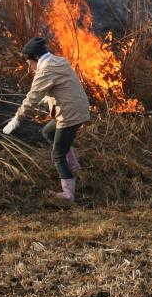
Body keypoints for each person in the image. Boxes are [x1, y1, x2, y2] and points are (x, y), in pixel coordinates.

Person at [7, 37, 91, 201]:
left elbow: (32, 98)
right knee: (48, 132)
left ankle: (68, 194)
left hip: (70, 114)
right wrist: (49, 96)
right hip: (78, 108)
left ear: (37, 58)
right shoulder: (57, 61)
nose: (29, 66)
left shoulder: (45, 69)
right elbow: (63, 83)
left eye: (29, 62)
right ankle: (74, 165)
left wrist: (17, 118)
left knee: (57, 154)